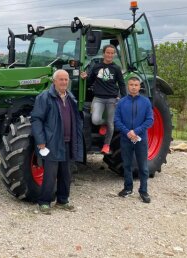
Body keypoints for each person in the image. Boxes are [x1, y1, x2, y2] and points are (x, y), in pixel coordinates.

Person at [31, 69, 84, 215]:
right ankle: (44, 202)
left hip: (68, 141)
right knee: (50, 175)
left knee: (66, 174)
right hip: (52, 143)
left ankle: (63, 200)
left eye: (66, 80)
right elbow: (36, 119)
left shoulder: (70, 97)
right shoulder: (45, 97)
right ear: (54, 81)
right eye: (61, 79)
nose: (64, 82)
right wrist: (41, 141)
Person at [80, 44, 126, 155]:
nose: (110, 55)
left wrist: (123, 99)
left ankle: (106, 145)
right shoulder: (96, 67)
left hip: (111, 99)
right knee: (95, 120)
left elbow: (121, 84)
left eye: (112, 53)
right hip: (98, 98)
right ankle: (105, 123)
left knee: (111, 123)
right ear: (103, 53)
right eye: (108, 52)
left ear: (114, 55)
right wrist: (85, 77)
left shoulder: (116, 68)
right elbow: (90, 81)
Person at [114, 77, 154, 203]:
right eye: (131, 84)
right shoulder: (121, 102)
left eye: (136, 85)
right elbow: (116, 120)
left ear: (139, 86)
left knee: (143, 166)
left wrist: (135, 131)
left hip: (140, 138)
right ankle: (128, 188)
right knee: (127, 164)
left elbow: (150, 120)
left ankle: (143, 191)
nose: (133, 87)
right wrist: (127, 132)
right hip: (126, 138)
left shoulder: (145, 102)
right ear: (127, 86)